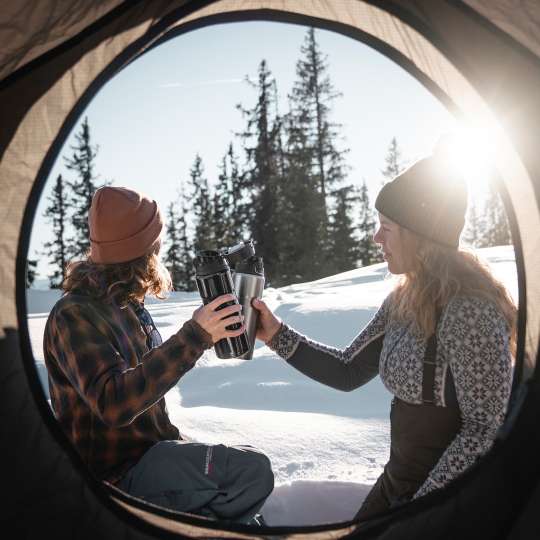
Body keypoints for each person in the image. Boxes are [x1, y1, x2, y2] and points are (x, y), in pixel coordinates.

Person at [252, 146, 516, 520]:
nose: (377, 238)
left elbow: (485, 429)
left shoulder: (470, 311)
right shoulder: (403, 301)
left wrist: (426, 507)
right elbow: (348, 369)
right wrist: (275, 333)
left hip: (449, 504)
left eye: (387, 228)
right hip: (398, 487)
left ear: (420, 236)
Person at [43, 186, 274, 524]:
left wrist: (184, 446)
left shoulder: (130, 308)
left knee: (244, 473)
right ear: (143, 249)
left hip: (153, 457)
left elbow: (148, 404)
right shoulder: (73, 314)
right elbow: (114, 404)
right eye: (156, 242)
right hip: (115, 480)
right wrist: (195, 336)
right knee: (251, 472)